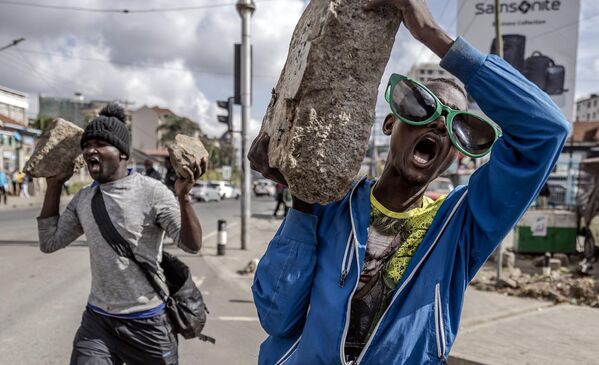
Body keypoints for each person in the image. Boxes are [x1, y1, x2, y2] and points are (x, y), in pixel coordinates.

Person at [248, 0, 570, 364]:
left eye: (457, 126)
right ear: (390, 125)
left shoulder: (461, 229)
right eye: (422, 107)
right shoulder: (331, 206)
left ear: (457, 154)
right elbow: (276, 316)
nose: (438, 124)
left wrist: (434, 36)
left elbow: (548, 130)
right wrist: (302, 202)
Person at [37, 103, 204, 365]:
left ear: (122, 152)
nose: (91, 150)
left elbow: (191, 245)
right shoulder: (84, 199)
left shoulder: (153, 192)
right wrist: (54, 184)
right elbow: (49, 242)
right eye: (87, 144)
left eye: (100, 143)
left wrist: (183, 198)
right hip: (98, 322)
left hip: (148, 323)